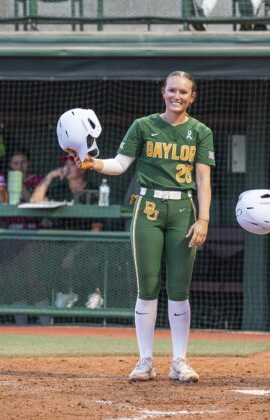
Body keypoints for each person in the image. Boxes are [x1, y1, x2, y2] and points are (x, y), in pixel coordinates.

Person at [69, 70, 215, 383]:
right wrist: (92, 163)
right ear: (163, 92)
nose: (177, 96)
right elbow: (121, 165)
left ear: (193, 97)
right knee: (147, 287)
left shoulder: (201, 131)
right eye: (172, 90)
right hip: (147, 208)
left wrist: (203, 219)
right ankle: (145, 361)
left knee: (179, 289)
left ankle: (180, 361)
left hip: (183, 209)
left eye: (184, 92)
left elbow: (203, 178)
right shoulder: (143, 126)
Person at [30, 154, 103, 231]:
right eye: (66, 164)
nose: (67, 168)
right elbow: (35, 201)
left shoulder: (93, 190)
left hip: (82, 238)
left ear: (83, 168)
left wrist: (84, 243)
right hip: (58, 239)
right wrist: (51, 175)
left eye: (72, 165)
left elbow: (97, 227)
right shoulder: (59, 189)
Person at [6, 147, 44, 230]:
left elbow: (35, 203)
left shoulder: (37, 180)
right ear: (10, 164)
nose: (19, 167)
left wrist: (20, 184)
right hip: (10, 229)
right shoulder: (5, 182)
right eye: (16, 163)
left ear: (28, 162)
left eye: (23, 162)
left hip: (33, 228)